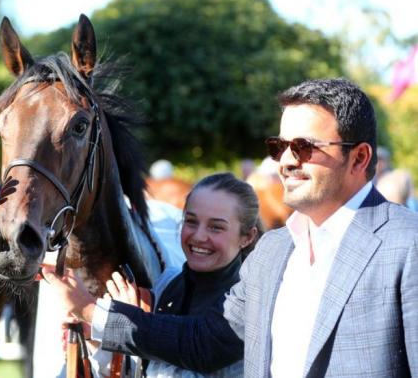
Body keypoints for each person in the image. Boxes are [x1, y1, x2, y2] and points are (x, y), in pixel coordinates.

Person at [44, 78, 418, 377]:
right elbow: (205, 343)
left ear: (359, 157)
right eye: (279, 146)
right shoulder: (275, 251)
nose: (286, 161)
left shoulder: (405, 245)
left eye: (304, 147)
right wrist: (91, 312)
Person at [89, 172, 260, 377]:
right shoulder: (166, 285)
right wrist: (94, 337)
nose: (199, 236)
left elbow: (197, 348)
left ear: (247, 237)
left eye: (216, 227)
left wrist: (97, 313)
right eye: (191, 221)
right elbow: (136, 372)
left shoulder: (248, 302)